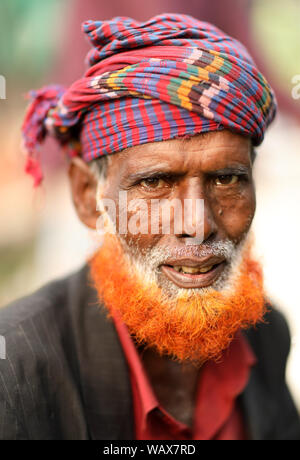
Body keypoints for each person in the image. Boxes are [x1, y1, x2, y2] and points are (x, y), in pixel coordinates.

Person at [0, 13, 299, 440]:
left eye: (227, 179)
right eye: (155, 183)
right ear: (89, 196)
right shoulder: (16, 373)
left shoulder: (268, 338)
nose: (198, 224)